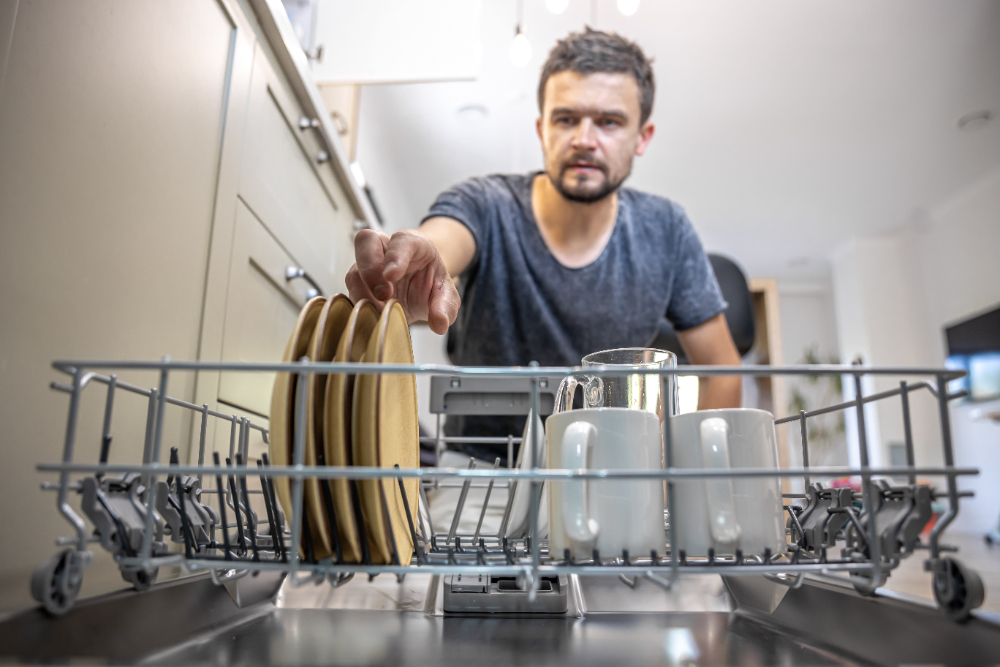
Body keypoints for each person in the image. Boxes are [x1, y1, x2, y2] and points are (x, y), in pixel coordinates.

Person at [346, 28, 741, 460]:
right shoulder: (484, 203)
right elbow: (442, 241)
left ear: (642, 137)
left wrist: (670, 472)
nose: (584, 139)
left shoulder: (667, 229)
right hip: (479, 477)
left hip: (613, 476)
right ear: (541, 128)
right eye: (566, 119)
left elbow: (722, 372)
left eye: (609, 122)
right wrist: (422, 265)